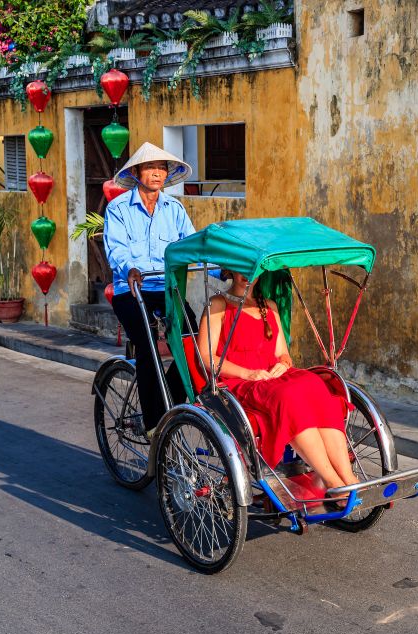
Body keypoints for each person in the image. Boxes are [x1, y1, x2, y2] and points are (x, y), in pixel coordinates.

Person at [196, 271, 359, 494]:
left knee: (316, 385)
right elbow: (206, 358)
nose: (247, 275)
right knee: (288, 397)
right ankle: (333, 482)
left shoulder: (269, 305)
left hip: (274, 377)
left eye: (252, 270)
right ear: (230, 270)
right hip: (240, 383)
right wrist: (248, 374)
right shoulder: (218, 304)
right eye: (241, 269)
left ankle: (348, 477)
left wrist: (283, 363)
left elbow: (283, 353)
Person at [104, 142, 197, 436]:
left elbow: (191, 246)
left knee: (194, 345)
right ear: (136, 172)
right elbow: (116, 248)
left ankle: (171, 405)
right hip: (131, 289)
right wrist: (129, 268)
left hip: (166, 288)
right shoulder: (118, 208)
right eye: (150, 167)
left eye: (161, 168)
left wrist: (224, 270)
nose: (157, 173)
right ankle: (154, 424)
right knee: (147, 346)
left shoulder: (175, 209)